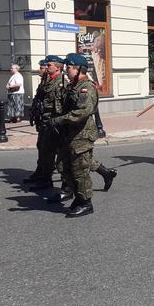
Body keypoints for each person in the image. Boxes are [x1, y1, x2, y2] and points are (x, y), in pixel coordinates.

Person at [49, 54, 99, 217]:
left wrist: (59, 120)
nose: (66, 70)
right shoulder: (72, 86)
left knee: (80, 170)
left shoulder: (86, 87)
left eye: (68, 68)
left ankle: (86, 203)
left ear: (78, 70)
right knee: (63, 166)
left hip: (81, 136)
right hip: (68, 135)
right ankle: (77, 196)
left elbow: (82, 112)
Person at [26, 56, 66, 192]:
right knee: (44, 150)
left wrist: (57, 123)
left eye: (49, 65)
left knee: (53, 153)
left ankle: (49, 180)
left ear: (57, 67)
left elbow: (60, 105)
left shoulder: (60, 82)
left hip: (53, 123)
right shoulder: (49, 81)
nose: (46, 68)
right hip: (46, 121)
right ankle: (44, 177)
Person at [23, 59, 50, 185]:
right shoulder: (43, 82)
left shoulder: (55, 83)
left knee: (54, 151)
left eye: (41, 68)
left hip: (51, 123)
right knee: (42, 147)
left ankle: (104, 171)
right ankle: (42, 173)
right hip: (43, 121)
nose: (39, 70)